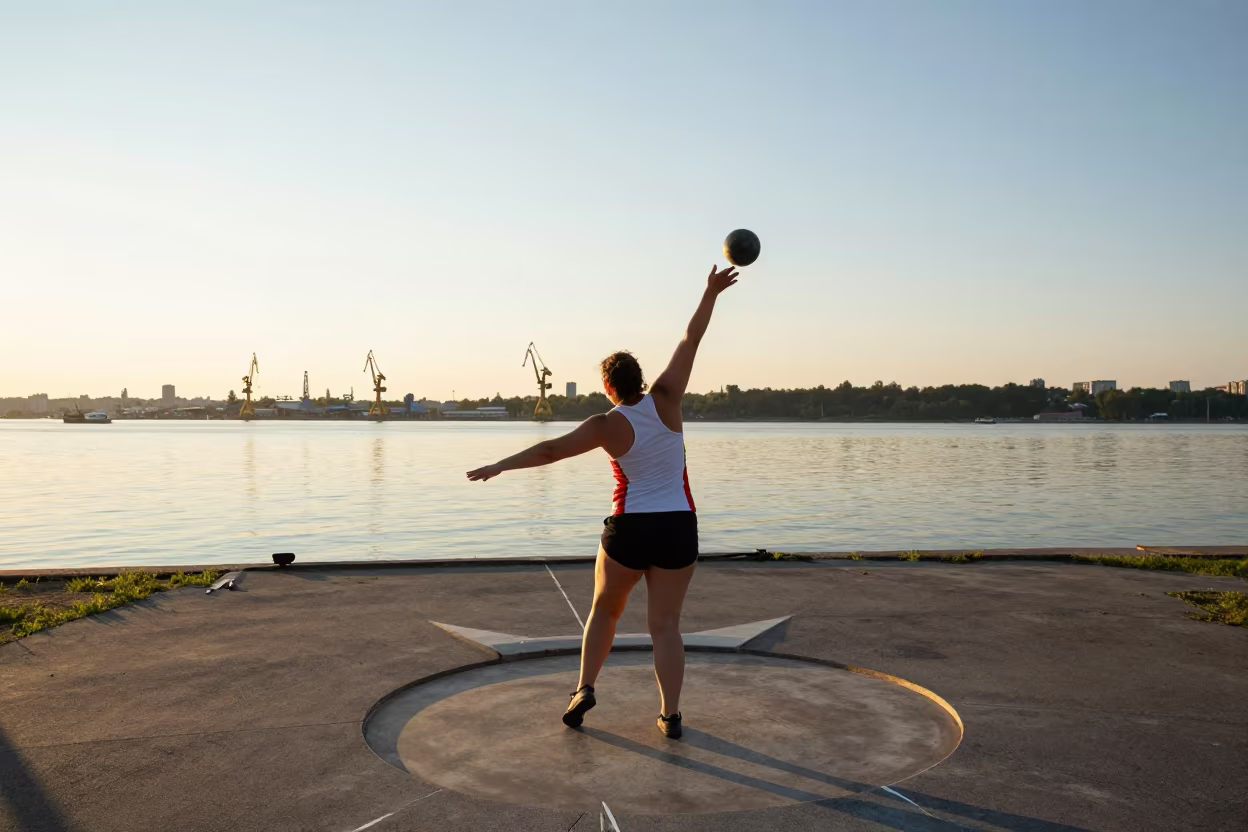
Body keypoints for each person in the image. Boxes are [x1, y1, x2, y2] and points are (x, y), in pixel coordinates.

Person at [466, 264, 739, 739]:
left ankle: (584, 688)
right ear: (642, 379)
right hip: (677, 526)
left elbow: (550, 451)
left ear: (609, 388)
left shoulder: (604, 424)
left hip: (630, 528)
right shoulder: (668, 397)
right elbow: (690, 339)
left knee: (604, 612)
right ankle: (670, 716)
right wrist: (711, 292)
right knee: (666, 626)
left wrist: (500, 465)